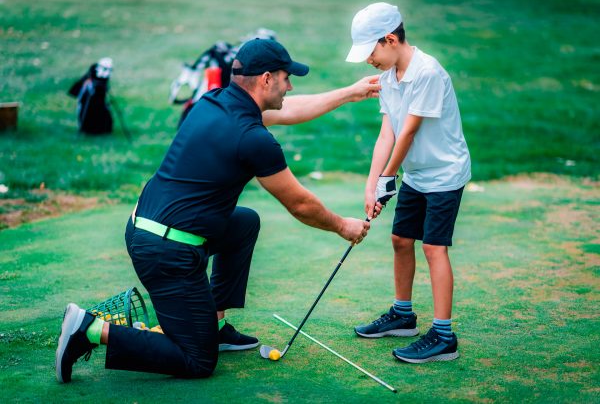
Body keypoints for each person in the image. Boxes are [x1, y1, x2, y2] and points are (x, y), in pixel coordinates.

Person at [56, 38, 376, 383]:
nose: (290, 86)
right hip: (166, 253)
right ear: (266, 79)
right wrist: (343, 225)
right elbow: (300, 204)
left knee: (244, 223)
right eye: (286, 78)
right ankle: (89, 329)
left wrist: (350, 93)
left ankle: (215, 323)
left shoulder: (214, 102)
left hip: (151, 228)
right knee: (197, 360)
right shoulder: (252, 137)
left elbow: (292, 108)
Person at [345, 2, 471, 363]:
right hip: (417, 173)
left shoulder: (427, 72)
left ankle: (444, 336)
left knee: (433, 248)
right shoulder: (388, 76)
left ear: (389, 39)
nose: (369, 60)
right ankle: (403, 315)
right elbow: (389, 131)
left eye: (371, 51)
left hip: (445, 174)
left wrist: (388, 177)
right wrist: (373, 184)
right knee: (401, 239)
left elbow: (410, 132)